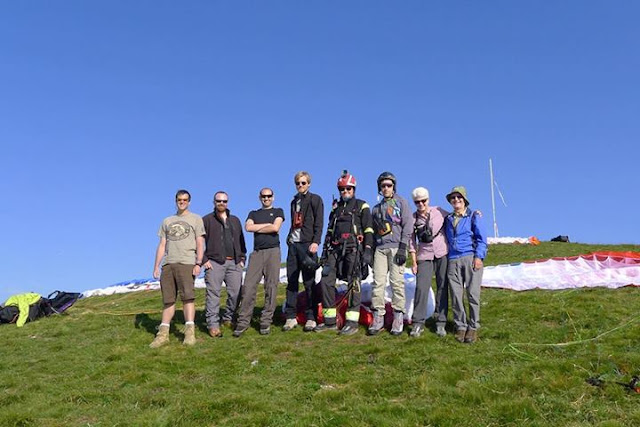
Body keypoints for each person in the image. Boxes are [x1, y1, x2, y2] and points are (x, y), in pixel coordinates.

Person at [315, 171, 374, 335]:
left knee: (354, 283)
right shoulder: (336, 209)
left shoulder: (362, 206)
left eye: (348, 188)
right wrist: (324, 253)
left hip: (354, 249)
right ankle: (329, 321)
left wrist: (368, 250)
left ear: (354, 189)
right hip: (334, 250)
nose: (345, 191)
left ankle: (352, 322)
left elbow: (369, 229)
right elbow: (329, 232)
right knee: (326, 280)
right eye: (342, 189)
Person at [150, 189, 205, 348]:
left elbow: (200, 242)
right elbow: (162, 245)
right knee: (168, 300)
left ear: (189, 202)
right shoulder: (167, 221)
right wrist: (156, 266)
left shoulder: (196, 219)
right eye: (179, 200)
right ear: (176, 201)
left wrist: (198, 263)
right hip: (168, 264)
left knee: (188, 297)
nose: (182, 202)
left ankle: (189, 333)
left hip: (187, 262)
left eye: (185, 200)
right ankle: (163, 334)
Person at [233, 188, 285, 337]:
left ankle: (265, 321)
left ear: (273, 197)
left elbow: (276, 227)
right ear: (260, 197)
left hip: (273, 251)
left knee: (271, 286)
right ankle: (243, 321)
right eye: (263, 196)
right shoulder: (253, 213)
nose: (266, 198)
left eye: (269, 196)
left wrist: (259, 227)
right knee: (248, 287)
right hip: (256, 253)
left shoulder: (278, 211)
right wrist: (267, 226)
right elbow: (248, 227)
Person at [368, 172, 414, 336]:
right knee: (378, 283)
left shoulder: (401, 202)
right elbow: (373, 231)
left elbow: (408, 225)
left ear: (394, 186)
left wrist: (403, 247)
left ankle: (398, 316)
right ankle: (378, 316)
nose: (386, 188)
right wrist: (371, 251)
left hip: (396, 247)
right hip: (380, 249)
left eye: (389, 185)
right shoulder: (376, 208)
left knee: (396, 282)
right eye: (383, 186)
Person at [443, 186, 488, 344]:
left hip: (470, 257)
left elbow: (482, 239)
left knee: (472, 294)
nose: (456, 200)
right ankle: (461, 326)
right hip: (453, 259)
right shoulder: (448, 219)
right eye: (453, 198)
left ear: (465, 200)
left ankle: (473, 326)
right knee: (456, 295)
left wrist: (479, 257)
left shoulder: (473, 216)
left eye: (459, 197)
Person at [283, 171, 324, 332]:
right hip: (293, 245)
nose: (300, 185)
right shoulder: (294, 201)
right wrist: (289, 238)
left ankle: (311, 317)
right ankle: (290, 317)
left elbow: (319, 222)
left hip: (308, 245)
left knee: (309, 282)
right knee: (292, 281)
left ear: (309, 184)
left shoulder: (315, 199)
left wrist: (315, 242)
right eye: (298, 183)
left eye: (303, 183)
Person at [202, 191, 246, 338]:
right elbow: (198, 242)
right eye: (219, 201)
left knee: (236, 293)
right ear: (214, 202)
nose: (222, 203)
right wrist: (204, 260)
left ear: (228, 202)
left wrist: (242, 258)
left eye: (224, 201)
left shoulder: (235, 220)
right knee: (213, 294)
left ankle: (228, 318)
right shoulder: (206, 220)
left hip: (234, 262)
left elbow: (241, 240)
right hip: (214, 262)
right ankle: (213, 325)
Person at [408, 187, 449, 338]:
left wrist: (474, 213)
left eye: (423, 201)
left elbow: (456, 216)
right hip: (424, 255)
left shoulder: (439, 211)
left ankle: (440, 322)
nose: (421, 204)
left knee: (442, 286)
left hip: (442, 252)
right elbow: (411, 241)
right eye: (417, 202)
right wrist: (414, 262)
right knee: (421, 288)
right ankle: (418, 322)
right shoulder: (412, 219)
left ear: (428, 199)